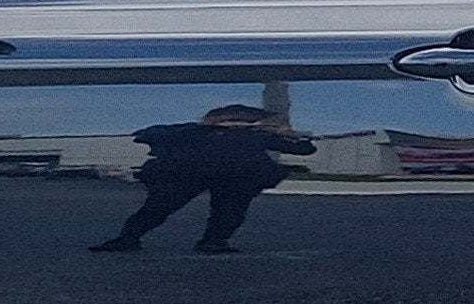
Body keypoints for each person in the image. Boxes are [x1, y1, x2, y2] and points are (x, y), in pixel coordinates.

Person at [90, 103, 316, 255]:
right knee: (159, 207)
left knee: (230, 211)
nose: (238, 124)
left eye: (247, 121)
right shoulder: (192, 131)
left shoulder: (258, 136)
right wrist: (203, 128)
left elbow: (305, 149)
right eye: (233, 120)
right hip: (188, 174)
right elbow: (144, 135)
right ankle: (128, 238)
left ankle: (214, 242)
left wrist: (286, 134)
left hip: (236, 178)